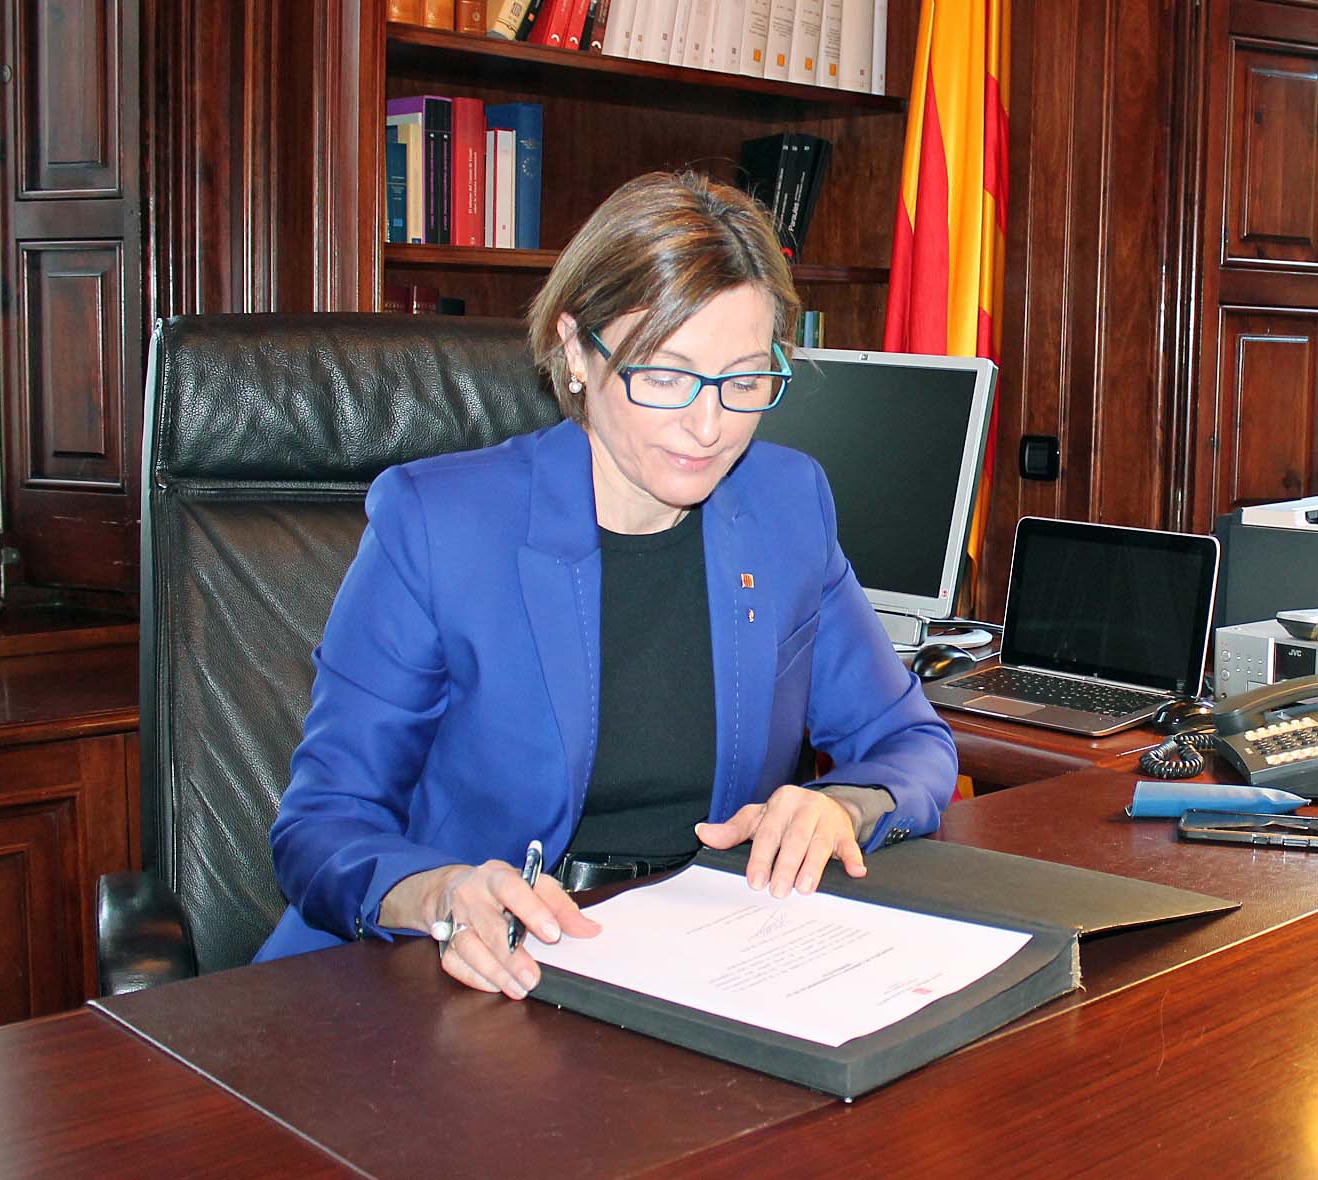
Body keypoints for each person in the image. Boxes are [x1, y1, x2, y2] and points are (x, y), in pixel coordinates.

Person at [258, 171, 958, 1000]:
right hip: (457, 977)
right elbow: (322, 824)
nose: (709, 426)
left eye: (743, 379)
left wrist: (844, 804)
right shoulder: (440, 523)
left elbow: (911, 743)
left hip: (697, 954)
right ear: (575, 350)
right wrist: (440, 895)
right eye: (664, 376)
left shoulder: (783, 504)